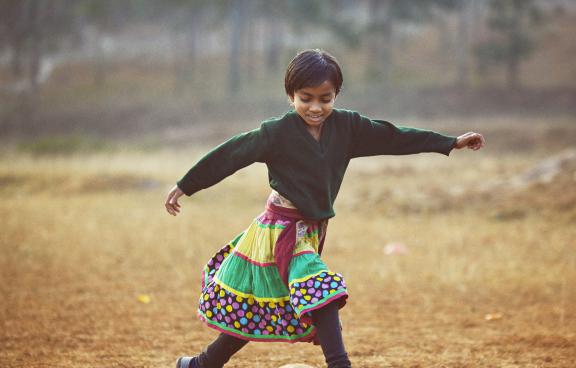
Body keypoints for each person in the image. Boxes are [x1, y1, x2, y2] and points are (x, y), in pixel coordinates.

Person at [165, 49, 485, 368]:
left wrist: (448, 142)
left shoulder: (348, 127)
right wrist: (185, 185)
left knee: (264, 304)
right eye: (306, 98)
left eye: (325, 98)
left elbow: (393, 138)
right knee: (321, 292)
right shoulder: (275, 133)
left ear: (336, 95)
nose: (316, 107)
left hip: (312, 230)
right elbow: (230, 154)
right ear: (291, 95)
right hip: (280, 231)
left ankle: (200, 365)